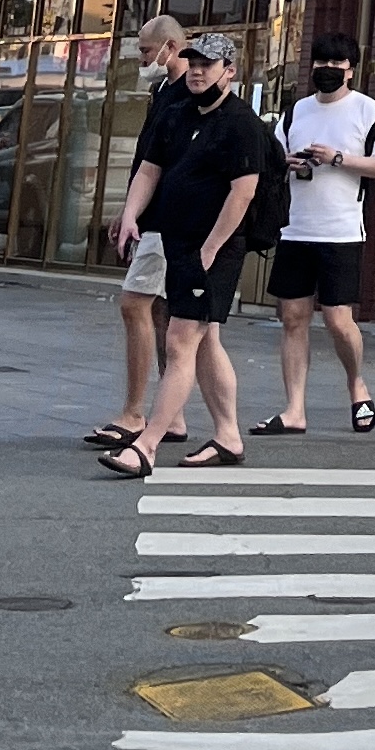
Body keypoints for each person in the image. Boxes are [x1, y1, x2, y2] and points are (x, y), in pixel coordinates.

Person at [99, 35, 263, 477]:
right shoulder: (177, 114)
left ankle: (147, 444)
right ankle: (228, 436)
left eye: (208, 64)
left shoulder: (241, 123)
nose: (197, 70)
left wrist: (209, 250)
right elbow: (149, 169)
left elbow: (243, 193)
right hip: (177, 241)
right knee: (205, 340)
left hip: (214, 248)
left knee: (180, 339)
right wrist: (131, 215)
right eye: (193, 62)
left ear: (229, 71)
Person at [257, 29, 375, 436]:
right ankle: (294, 410)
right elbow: (273, 158)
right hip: (296, 228)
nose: (328, 69)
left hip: (342, 232)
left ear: (351, 70)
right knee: (292, 318)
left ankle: (356, 383)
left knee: (338, 320)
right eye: (321, 62)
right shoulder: (296, 112)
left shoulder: (366, 110)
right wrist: (290, 162)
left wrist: (338, 158)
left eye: (337, 63)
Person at [87, 16, 192, 450]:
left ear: (170, 47)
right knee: (164, 314)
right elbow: (147, 162)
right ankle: (173, 415)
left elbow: (162, 164)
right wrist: (128, 209)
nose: (142, 59)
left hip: (169, 220)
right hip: (156, 217)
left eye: (147, 51)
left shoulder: (186, 95)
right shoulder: (164, 91)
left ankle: (135, 413)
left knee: (137, 304)